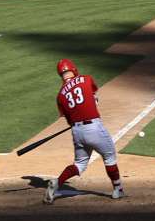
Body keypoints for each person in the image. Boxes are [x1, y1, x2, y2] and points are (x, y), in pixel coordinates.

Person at [45, 59, 124, 204]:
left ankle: (57, 182)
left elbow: (69, 120)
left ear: (60, 74)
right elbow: (94, 96)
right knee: (109, 157)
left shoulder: (60, 96)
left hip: (77, 131)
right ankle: (118, 190)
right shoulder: (86, 79)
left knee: (79, 164)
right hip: (93, 127)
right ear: (74, 69)